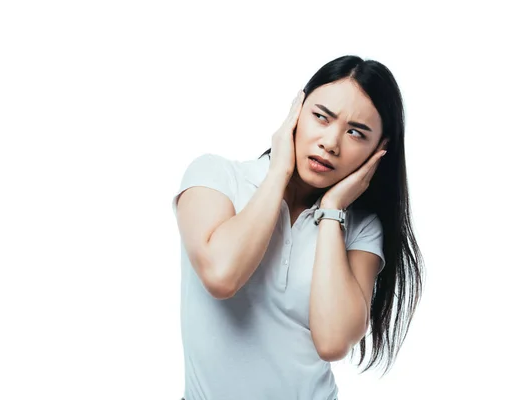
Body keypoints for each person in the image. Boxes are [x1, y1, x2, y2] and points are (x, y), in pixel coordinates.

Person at [172, 55, 424, 400]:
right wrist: (278, 172)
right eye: (321, 117)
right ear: (297, 111)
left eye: (356, 133)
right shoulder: (216, 177)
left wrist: (332, 210)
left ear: (378, 152)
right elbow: (222, 275)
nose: (331, 142)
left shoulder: (361, 227)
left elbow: (333, 341)